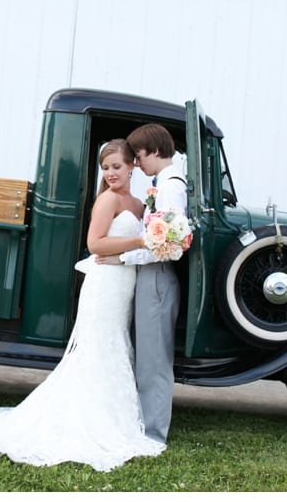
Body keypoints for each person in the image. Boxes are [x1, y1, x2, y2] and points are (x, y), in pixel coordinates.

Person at [0, 139, 165, 472]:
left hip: (124, 283)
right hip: (104, 286)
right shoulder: (107, 200)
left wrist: (143, 244)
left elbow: (125, 248)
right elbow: (94, 243)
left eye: (117, 166)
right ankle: (88, 419)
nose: (111, 173)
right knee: (98, 346)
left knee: (116, 344)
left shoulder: (140, 204)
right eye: (105, 168)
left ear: (131, 167)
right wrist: (141, 239)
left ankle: (112, 414)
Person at [97, 123, 187, 444]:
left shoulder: (170, 187)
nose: (138, 162)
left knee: (154, 361)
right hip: (150, 275)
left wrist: (122, 259)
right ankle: (145, 425)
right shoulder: (160, 184)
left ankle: (153, 434)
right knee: (147, 356)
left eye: (139, 155)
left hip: (157, 276)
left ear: (156, 151)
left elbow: (168, 246)